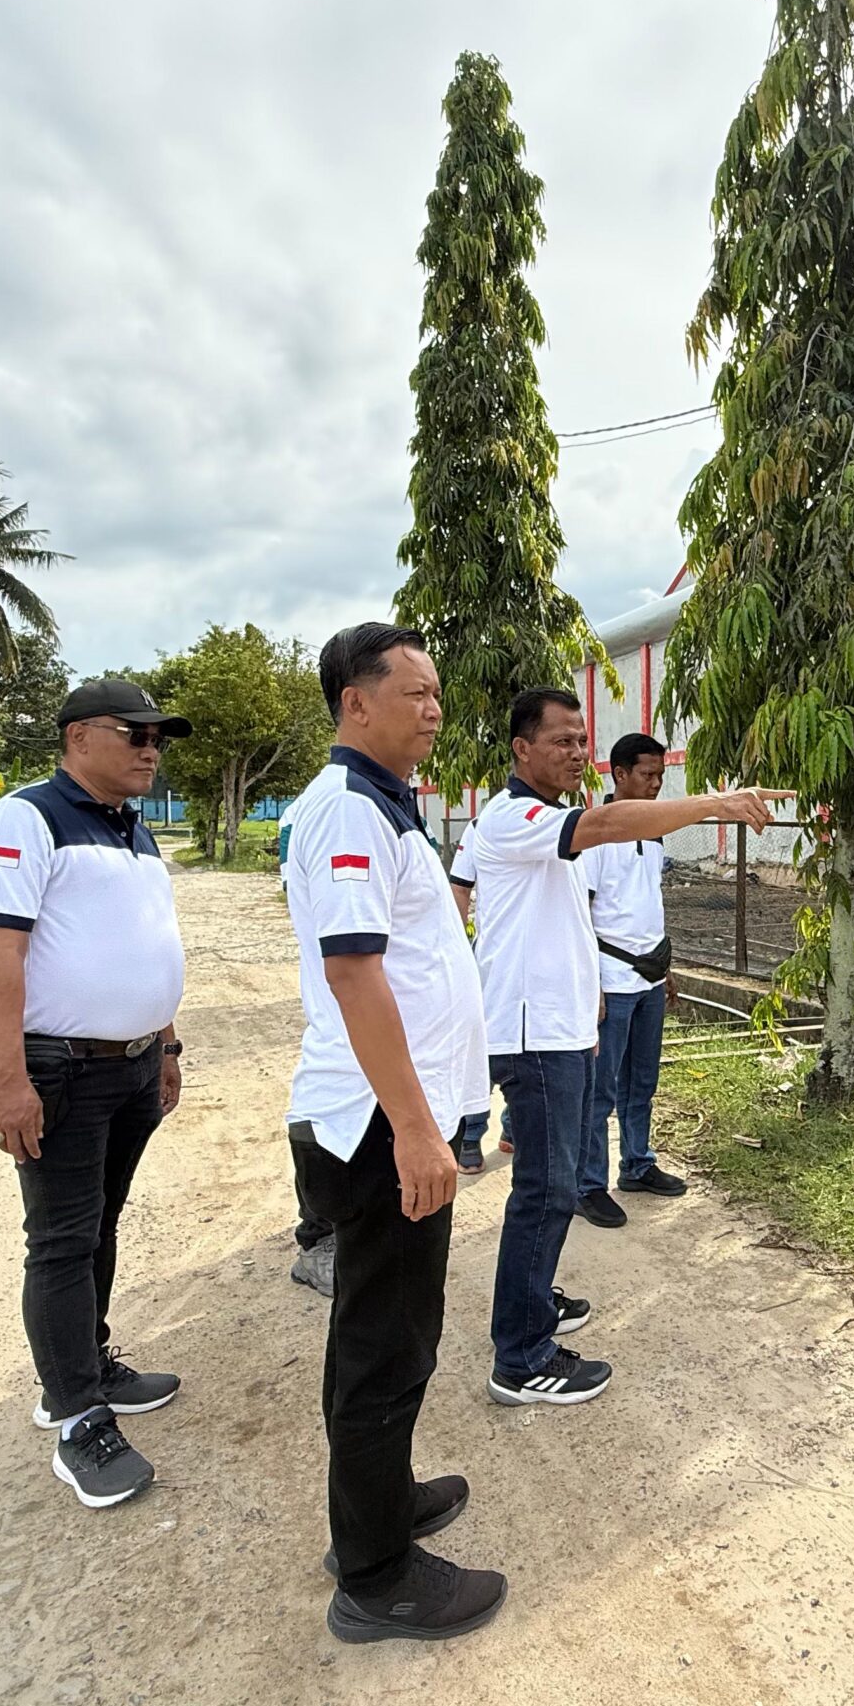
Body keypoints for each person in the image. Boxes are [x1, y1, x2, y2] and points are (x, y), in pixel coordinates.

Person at [457, 687, 781, 1408]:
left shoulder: (551, 821)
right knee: (546, 1188)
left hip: (564, 1026)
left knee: (553, 1181)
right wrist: (717, 804)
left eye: (582, 740)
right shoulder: (515, 817)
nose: (578, 752)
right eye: (562, 741)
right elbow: (604, 823)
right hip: (533, 1034)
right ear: (521, 749)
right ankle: (521, 1359)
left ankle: (532, 1301)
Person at [283, 622, 504, 1643]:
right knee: (386, 1342)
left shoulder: (383, 805)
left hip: (396, 1114)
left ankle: (379, 1503)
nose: (433, 709)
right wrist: (418, 1131)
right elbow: (352, 969)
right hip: (379, 1123)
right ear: (354, 701)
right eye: (414, 692)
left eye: (437, 694)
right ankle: (377, 1580)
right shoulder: (347, 809)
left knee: (385, 1331)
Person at [0, 677, 193, 1511]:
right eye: (134, 733)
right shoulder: (27, 819)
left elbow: (144, 943)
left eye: (157, 737)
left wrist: (165, 1042)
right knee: (62, 1240)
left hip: (132, 1065)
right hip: (61, 1067)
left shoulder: (136, 830)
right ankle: (75, 1419)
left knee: (101, 1222)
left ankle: (88, 1364)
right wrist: (6, 1079)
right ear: (77, 737)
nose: (150, 748)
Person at [576, 733, 682, 1227]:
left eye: (661, 775)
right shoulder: (596, 835)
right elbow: (580, 912)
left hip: (649, 978)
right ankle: (588, 1184)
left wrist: (665, 969)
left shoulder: (653, 834)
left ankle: (637, 1164)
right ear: (619, 775)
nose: (656, 784)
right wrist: (592, 983)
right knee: (601, 1089)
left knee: (643, 1081)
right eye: (647, 775)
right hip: (612, 979)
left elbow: (647, 904)